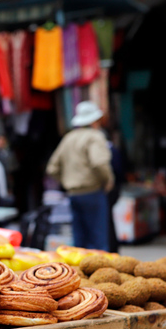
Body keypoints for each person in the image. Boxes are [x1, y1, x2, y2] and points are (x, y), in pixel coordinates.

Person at [46, 101, 113, 251]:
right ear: (95, 121)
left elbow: (52, 168)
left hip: (73, 194)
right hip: (93, 192)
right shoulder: (95, 136)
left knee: (79, 242)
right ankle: (99, 273)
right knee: (98, 241)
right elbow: (99, 163)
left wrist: (66, 181)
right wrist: (107, 180)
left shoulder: (68, 138)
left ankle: (79, 273)